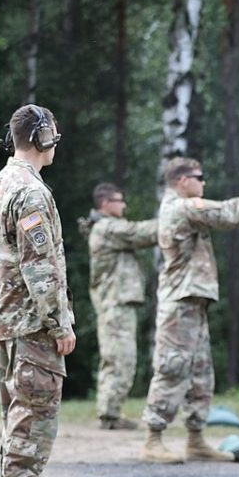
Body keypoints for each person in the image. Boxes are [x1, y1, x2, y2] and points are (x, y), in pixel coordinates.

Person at [139, 158, 239, 463]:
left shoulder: (182, 207)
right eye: (199, 177)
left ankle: (195, 439)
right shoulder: (180, 207)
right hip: (180, 304)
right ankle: (152, 440)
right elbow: (224, 213)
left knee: (200, 373)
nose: (203, 182)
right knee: (172, 368)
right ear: (183, 180)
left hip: (192, 303)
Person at [0, 103, 75, 477]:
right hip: (30, 318)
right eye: (52, 133)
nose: (55, 141)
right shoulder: (31, 192)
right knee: (34, 402)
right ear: (40, 138)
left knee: (17, 402)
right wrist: (60, 321)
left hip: (3, 314)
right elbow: (40, 266)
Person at [78, 182, 157, 430]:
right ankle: (110, 415)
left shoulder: (105, 228)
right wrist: (177, 217)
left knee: (118, 358)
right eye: (119, 200)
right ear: (105, 204)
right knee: (120, 358)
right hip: (115, 303)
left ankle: (110, 413)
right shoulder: (107, 228)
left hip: (116, 302)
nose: (124, 205)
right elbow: (140, 233)